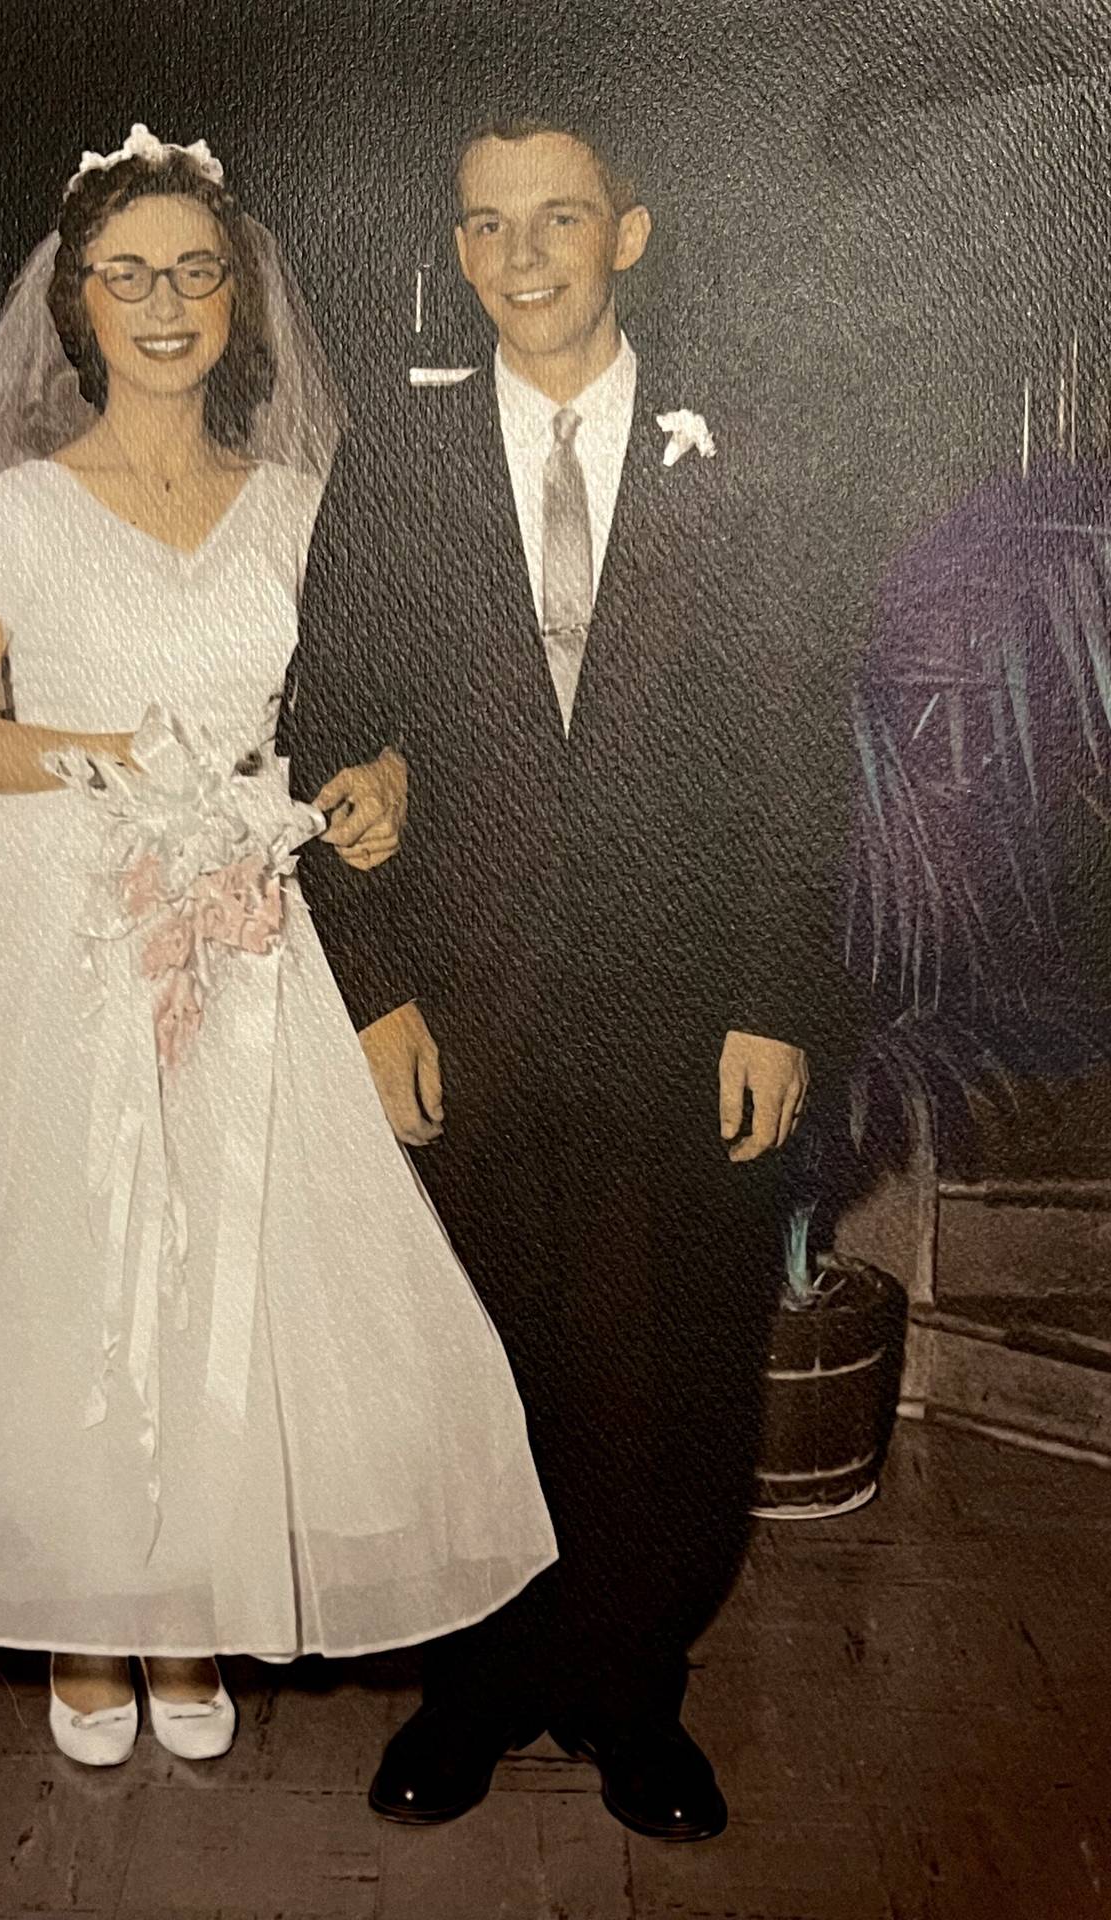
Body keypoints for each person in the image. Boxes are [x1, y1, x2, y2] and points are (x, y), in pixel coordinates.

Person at [0, 127, 555, 1770]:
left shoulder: (308, 506)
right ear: (77, 304)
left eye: (193, 271)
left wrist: (371, 782)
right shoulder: (23, 508)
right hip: (53, 920)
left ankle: (183, 1602)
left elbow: (371, 722)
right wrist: (120, 762)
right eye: (129, 274)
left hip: (246, 919)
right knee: (71, 1267)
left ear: (235, 299)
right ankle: (84, 1619)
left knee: (223, 1273)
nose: (163, 303)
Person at [281, 116, 858, 1838]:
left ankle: (632, 1692)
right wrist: (374, 990)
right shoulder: (397, 447)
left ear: (628, 234)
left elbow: (791, 751)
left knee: (669, 1363)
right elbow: (328, 722)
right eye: (487, 227)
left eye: (559, 220)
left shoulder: (741, 454)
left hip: (683, 1011)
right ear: (459, 254)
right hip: (464, 1001)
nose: (522, 257)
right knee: (476, 1353)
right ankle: (483, 1683)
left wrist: (774, 998)